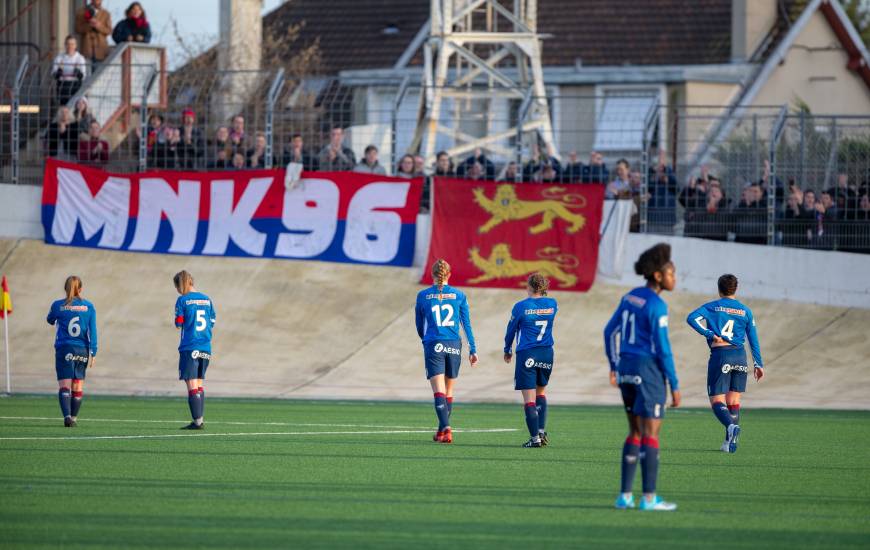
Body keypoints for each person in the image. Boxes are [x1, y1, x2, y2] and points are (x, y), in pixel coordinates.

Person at [603, 243, 680, 511]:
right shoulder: (658, 305)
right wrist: (675, 384)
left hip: (625, 368)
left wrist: (613, 365)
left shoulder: (628, 297)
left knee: (634, 431)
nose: (675, 278)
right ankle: (649, 498)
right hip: (648, 371)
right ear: (658, 276)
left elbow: (608, 331)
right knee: (651, 433)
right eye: (671, 273)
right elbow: (663, 349)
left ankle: (624, 496)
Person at [686, 274, 764, 453]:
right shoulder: (745, 311)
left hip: (721, 354)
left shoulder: (713, 306)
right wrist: (758, 364)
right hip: (740, 356)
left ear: (719, 288)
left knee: (717, 400)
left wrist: (709, 333)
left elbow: (691, 318)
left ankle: (730, 426)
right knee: (734, 400)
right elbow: (753, 339)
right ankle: (729, 443)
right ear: (736, 289)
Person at [415, 259, 478, 444]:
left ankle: (447, 428)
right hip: (454, 344)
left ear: (432, 275)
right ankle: (442, 430)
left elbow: (419, 325)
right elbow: (466, 325)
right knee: (449, 390)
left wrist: (426, 340)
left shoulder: (423, 295)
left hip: (434, 343)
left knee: (438, 391)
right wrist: (472, 349)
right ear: (449, 274)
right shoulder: (459, 295)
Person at [503, 273, 558, 448]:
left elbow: (511, 330)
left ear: (528, 286)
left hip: (527, 353)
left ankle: (534, 439)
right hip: (547, 353)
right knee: (541, 393)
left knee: (529, 400)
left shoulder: (520, 307)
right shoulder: (552, 304)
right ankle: (541, 432)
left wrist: (507, 349)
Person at [46, 276, 97, 427]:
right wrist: (93, 351)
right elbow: (92, 331)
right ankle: (74, 418)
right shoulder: (89, 306)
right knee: (78, 386)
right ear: (80, 289)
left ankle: (67, 417)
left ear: (65, 288)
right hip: (82, 349)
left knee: (64, 385)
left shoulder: (57, 305)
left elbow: (50, 319)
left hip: (64, 348)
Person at [173, 271, 216, 430]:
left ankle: (197, 422)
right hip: (205, 345)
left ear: (180, 285)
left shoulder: (182, 300)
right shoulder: (207, 299)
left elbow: (179, 323)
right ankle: (200, 419)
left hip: (190, 346)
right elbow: (212, 321)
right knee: (198, 383)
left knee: (191, 383)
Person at [52, 36, 87, 106]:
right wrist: (60, 70)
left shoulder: (80, 58)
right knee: (64, 108)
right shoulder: (59, 57)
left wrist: (77, 72)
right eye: (68, 44)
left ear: (76, 46)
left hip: (76, 86)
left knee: (76, 107)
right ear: (65, 45)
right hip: (62, 86)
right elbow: (54, 75)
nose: (70, 46)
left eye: (72, 44)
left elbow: (83, 76)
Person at [75, 0, 112, 65]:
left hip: (101, 50)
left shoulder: (106, 13)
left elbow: (109, 30)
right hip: (87, 48)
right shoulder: (81, 12)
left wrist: (99, 26)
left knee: (99, 73)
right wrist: (89, 26)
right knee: (87, 73)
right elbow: (78, 29)